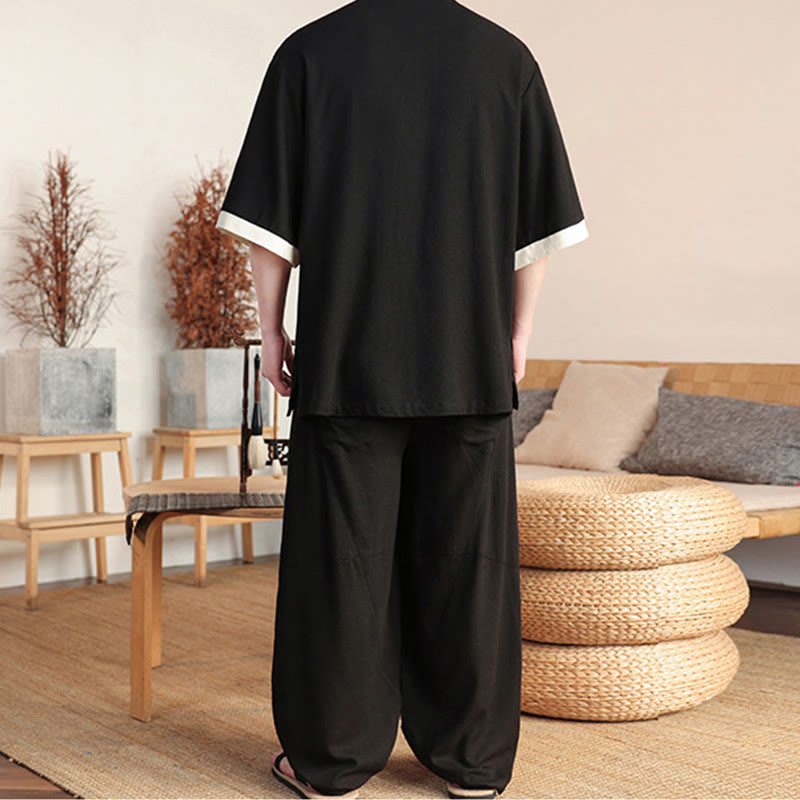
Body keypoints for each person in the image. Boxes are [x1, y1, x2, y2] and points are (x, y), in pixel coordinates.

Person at [215, 0, 589, 797]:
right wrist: (516, 335)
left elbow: (268, 224)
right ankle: (472, 763)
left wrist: (272, 331)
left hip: (347, 359)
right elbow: (536, 228)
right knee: (470, 566)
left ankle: (332, 761)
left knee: (340, 566)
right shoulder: (506, 61)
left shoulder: (309, 54)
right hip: (468, 359)